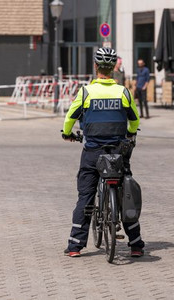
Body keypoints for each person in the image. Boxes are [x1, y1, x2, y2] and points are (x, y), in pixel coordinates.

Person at [61, 47, 145, 258]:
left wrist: (66, 133)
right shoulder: (122, 92)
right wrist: (130, 134)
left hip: (93, 152)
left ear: (96, 66)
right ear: (113, 68)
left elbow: (70, 117)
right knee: (126, 192)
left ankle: (75, 246)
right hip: (118, 152)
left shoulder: (86, 92)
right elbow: (134, 120)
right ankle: (135, 244)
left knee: (86, 196)